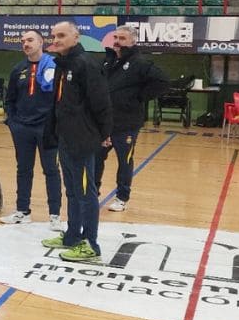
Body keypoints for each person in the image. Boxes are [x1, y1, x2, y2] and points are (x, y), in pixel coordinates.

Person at [43, 21, 112, 263]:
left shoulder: (86, 64)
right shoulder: (63, 64)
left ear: (76, 36)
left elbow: (101, 101)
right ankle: (72, 236)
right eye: (54, 35)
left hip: (83, 139)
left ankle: (91, 245)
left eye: (62, 35)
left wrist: (105, 133)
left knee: (85, 193)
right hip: (65, 138)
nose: (57, 39)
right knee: (71, 191)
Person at [95, 25, 167, 213]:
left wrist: (138, 97)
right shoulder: (107, 61)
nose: (117, 41)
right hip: (104, 123)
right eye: (116, 37)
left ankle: (122, 197)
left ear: (133, 41)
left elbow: (162, 82)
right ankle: (92, 193)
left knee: (124, 161)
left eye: (122, 38)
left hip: (126, 124)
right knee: (96, 157)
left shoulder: (140, 63)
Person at [0, 30, 62, 229]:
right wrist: (14, 123)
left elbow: (60, 98)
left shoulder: (55, 66)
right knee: (23, 170)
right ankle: (22, 211)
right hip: (23, 128)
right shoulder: (18, 69)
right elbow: (10, 99)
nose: (25, 43)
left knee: (51, 170)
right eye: (23, 41)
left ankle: (54, 215)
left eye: (30, 40)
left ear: (41, 42)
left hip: (47, 129)